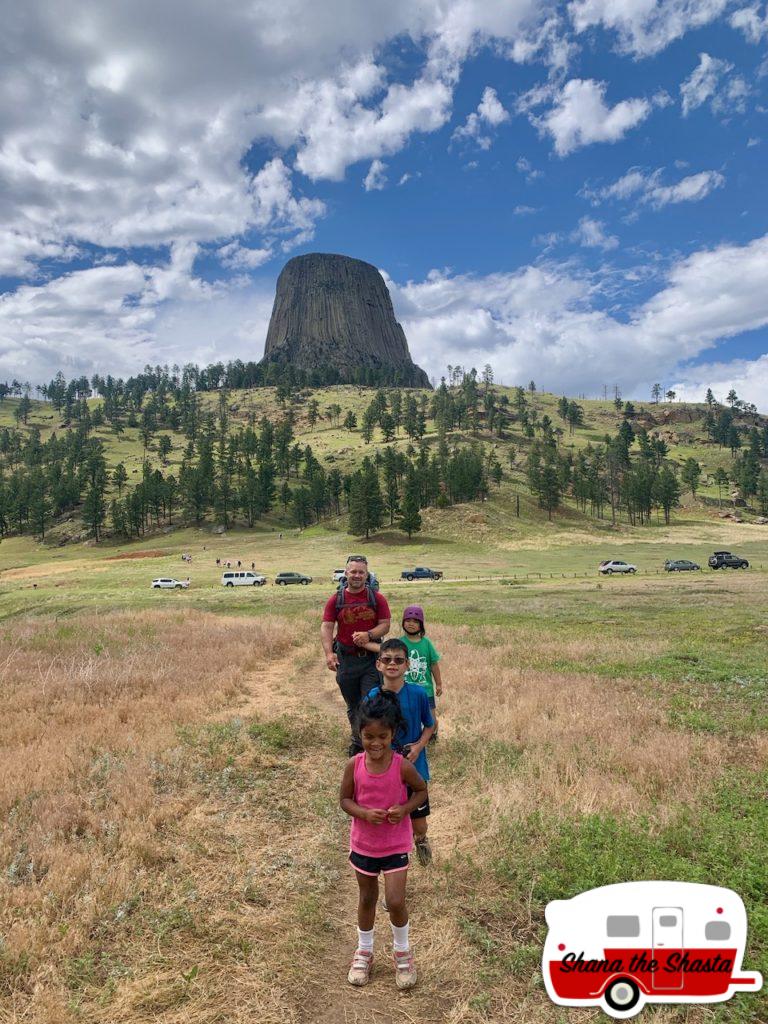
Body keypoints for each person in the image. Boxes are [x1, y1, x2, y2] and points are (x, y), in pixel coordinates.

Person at [340, 688, 426, 989]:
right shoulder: (354, 765)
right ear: (360, 734)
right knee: (367, 898)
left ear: (393, 734)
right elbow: (345, 801)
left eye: (383, 737)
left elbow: (421, 791)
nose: (375, 743)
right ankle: (364, 951)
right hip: (364, 845)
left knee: (395, 900)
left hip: (395, 845)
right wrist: (363, 813)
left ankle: (402, 951)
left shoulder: (402, 766)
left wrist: (404, 808)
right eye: (368, 737)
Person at [365, 639, 434, 867]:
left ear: (407, 665)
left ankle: (421, 842)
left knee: (419, 821)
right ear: (378, 665)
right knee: (390, 815)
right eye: (386, 659)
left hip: (414, 765)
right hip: (385, 768)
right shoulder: (372, 696)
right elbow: (367, 731)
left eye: (398, 660)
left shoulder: (418, 694)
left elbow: (430, 725)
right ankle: (393, 858)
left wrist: (418, 747)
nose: (392, 664)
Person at [321, 555, 390, 755]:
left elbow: (385, 625)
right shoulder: (336, 599)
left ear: (367, 574)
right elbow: (326, 626)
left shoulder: (377, 599)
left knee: (369, 703)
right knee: (353, 705)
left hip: (370, 660)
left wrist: (369, 635)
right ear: (346, 574)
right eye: (353, 572)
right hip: (346, 660)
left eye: (361, 572)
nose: (357, 575)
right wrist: (328, 654)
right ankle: (359, 738)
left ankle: (362, 745)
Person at [400, 605, 442, 742]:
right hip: (406, 689)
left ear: (421, 625)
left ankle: (431, 736)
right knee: (408, 717)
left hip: (425, 690)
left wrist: (439, 684)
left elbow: (434, 665)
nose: (411, 624)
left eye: (415, 621)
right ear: (403, 623)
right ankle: (410, 738)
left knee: (431, 719)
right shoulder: (399, 643)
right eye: (408, 620)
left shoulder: (427, 643)